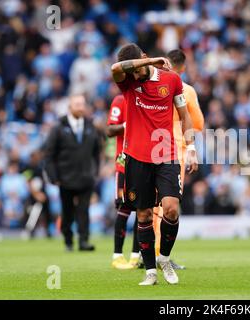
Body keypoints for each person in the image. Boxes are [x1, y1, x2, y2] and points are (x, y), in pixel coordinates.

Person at [111, 43, 198, 286]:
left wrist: (190, 148)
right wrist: (147, 63)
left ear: (144, 56)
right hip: (137, 157)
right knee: (144, 214)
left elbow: (184, 114)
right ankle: (150, 271)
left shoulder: (171, 80)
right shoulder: (128, 81)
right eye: (134, 71)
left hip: (165, 152)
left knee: (171, 208)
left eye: (138, 69)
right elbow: (115, 68)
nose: (135, 76)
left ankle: (165, 259)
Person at [150, 49, 204, 268]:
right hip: (174, 147)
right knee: (169, 203)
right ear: (182, 66)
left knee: (151, 204)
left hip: (149, 144)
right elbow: (197, 122)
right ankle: (162, 255)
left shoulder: (149, 85)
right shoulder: (186, 90)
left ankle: (143, 252)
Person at [44, 94, 102, 252]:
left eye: (82, 104)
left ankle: (84, 241)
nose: (81, 108)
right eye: (77, 104)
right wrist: (53, 177)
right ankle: (68, 240)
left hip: (85, 177)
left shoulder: (90, 126)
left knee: (84, 210)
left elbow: (97, 153)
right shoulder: (58, 128)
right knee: (67, 211)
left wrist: (95, 171)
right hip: (65, 178)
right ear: (70, 107)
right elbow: (49, 154)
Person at [106, 94, 142, 269]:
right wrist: (127, 126)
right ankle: (117, 256)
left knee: (143, 208)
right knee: (124, 207)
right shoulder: (120, 101)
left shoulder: (145, 98)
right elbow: (110, 131)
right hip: (124, 164)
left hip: (143, 162)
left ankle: (136, 256)